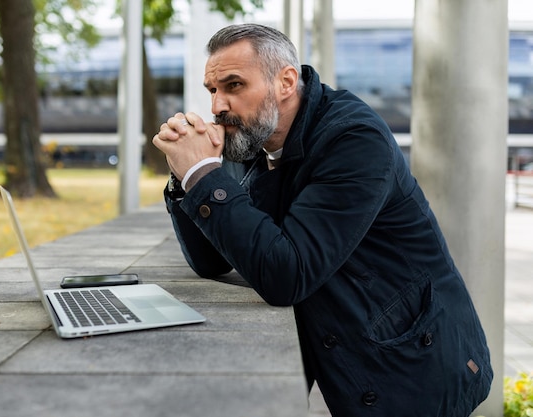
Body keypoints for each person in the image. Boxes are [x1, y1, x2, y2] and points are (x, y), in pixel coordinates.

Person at [152, 23, 492, 416]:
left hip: (417, 365)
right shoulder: (255, 138)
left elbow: (288, 274)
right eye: (213, 90)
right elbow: (213, 260)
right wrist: (187, 178)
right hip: (358, 353)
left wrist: (204, 177)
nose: (217, 106)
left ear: (285, 81)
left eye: (234, 85)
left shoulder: (353, 140)